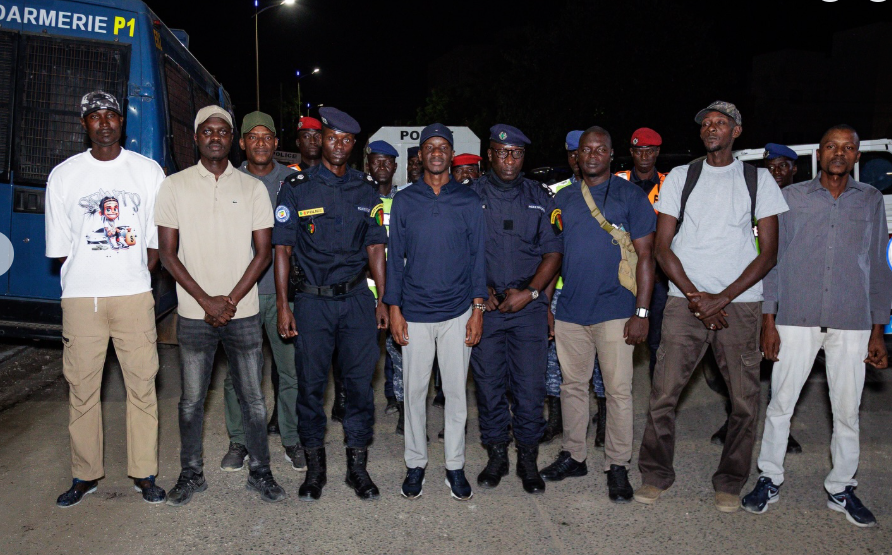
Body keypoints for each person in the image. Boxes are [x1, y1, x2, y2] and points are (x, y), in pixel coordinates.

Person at [634, 101, 788, 513]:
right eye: (706, 123)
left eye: (721, 123)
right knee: (663, 393)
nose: (711, 128)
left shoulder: (758, 180)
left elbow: (769, 254)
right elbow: (663, 248)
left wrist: (723, 297)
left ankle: (730, 481)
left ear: (736, 131)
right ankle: (655, 474)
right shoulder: (682, 177)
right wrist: (700, 298)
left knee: (743, 400)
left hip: (740, 306)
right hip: (686, 302)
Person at [741, 125, 892, 527]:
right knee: (780, 405)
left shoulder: (872, 200)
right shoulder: (791, 198)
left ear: (858, 156)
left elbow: (879, 264)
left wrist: (879, 328)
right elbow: (771, 262)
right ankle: (769, 478)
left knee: (847, 411)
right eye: (830, 146)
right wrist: (768, 321)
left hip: (853, 321)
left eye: (847, 148)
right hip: (796, 317)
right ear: (819, 154)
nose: (838, 153)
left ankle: (841, 487)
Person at [157, 105, 284, 505]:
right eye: (207, 131)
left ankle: (260, 472)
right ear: (196, 138)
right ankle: (190, 473)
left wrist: (228, 300)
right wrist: (205, 300)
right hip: (195, 314)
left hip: (242, 312)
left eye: (223, 131)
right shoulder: (173, 186)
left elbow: (263, 253)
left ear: (233, 139)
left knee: (253, 398)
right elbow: (166, 254)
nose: (215, 137)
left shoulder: (252, 189)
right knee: (192, 400)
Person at [48, 91, 166, 507]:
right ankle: (85, 474)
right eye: (94, 116)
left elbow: (157, 242)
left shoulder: (147, 171)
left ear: (122, 122)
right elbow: (63, 247)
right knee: (82, 389)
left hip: (133, 295)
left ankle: (144, 473)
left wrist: (132, 274)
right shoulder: (63, 176)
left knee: (142, 386)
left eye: (111, 115)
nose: (103, 123)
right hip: (81, 299)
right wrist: (92, 273)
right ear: (84, 124)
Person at [273, 107, 389, 502]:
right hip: (312, 303)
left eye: (346, 140)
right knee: (310, 389)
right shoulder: (296, 187)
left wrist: (384, 300)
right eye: (331, 137)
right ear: (320, 139)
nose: (338, 145)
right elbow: (283, 249)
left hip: (357, 300)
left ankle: (357, 469)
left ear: (353, 146)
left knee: (359, 388)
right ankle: (315, 471)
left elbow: (376, 246)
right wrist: (285, 306)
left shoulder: (365, 188)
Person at [539, 126, 656, 504]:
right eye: (585, 149)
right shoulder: (565, 199)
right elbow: (553, 257)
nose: (591, 155)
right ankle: (575, 455)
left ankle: (618, 465)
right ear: (577, 155)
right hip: (571, 310)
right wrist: (546, 306)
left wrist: (641, 311)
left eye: (599, 149)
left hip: (617, 312)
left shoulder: (631, 196)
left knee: (619, 391)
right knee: (572, 387)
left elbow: (647, 258)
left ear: (610, 154)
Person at [385, 123, 486, 501]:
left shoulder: (468, 200)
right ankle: (415, 464)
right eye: (431, 147)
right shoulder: (406, 200)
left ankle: (455, 467)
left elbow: (478, 259)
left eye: (444, 146)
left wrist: (477, 310)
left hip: (459, 311)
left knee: (457, 395)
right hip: (414, 312)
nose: (438, 152)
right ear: (421, 155)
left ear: (451, 153)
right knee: (414, 394)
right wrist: (394, 308)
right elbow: (395, 260)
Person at [470, 124, 562, 494]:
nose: (510, 159)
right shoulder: (469, 196)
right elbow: (461, 250)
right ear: (489, 154)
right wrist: (479, 293)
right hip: (486, 310)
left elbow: (553, 252)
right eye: (503, 152)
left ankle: (527, 458)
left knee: (529, 387)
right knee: (489, 386)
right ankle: (496, 454)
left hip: (528, 310)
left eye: (517, 153)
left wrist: (532, 293)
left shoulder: (541, 196)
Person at [217, 112, 305, 473]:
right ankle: (239, 441)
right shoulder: (226, 181)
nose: (260, 143)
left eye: (267, 137)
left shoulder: (293, 182)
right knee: (238, 373)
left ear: (275, 142)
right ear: (242, 143)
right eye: (253, 137)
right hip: (241, 295)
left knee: (291, 371)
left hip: (285, 295)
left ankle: (291, 438)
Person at [710, 142, 802, 453]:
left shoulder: (798, 203)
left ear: (794, 170)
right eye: (771, 166)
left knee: (780, 365)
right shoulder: (752, 198)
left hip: (783, 295)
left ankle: (782, 428)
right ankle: (735, 419)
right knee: (736, 363)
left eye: (783, 166)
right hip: (746, 292)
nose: (777, 172)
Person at [542, 130, 609, 446]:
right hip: (562, 290)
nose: (575, 159)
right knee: (555, 360)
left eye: (578, 152)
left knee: (602, 361)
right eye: (571, 153)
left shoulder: (609, 190)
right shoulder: (556, 195)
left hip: (600, 290)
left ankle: (603, 422)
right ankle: (556, 420)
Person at [614, 128, 669, 376]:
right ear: (632, 152)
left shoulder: (670, 184)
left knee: (659, 341)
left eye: (650, 151)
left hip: (658, 276)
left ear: (657, 153)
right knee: (614, 340)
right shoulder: (617, 181)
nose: (644, 156)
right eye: (639, 151)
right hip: (620, 273)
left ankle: (659, 401)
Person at [366, 140, 402, 417]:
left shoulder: (405, 201)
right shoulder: (359, 198)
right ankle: (356, 403)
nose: (382, 166)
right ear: (368, 165)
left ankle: (397, 400)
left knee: (398, 348)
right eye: (376, 161)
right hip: (363, 291)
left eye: (387, 162)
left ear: (395, 167)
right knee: (363, 352)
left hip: (397, 289)